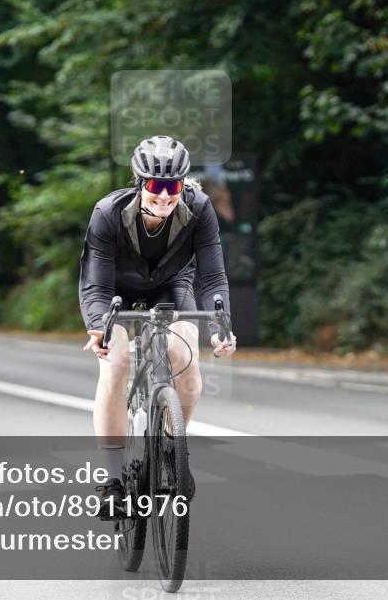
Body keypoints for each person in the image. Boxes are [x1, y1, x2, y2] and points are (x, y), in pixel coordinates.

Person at [79, 135, 237, 518]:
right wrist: (99, 328)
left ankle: (171, 449)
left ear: (183, 185)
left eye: (173, 187)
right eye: (155, 186)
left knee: (186, 361)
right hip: (115, 292)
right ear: (140, 183)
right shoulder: (108, 213)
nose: (164, 196)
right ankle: (112, 482)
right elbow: (96, 286)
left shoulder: (198, 208)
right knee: (116, 364)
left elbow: (212, 277)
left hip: (171, 286)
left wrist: (221, 326)